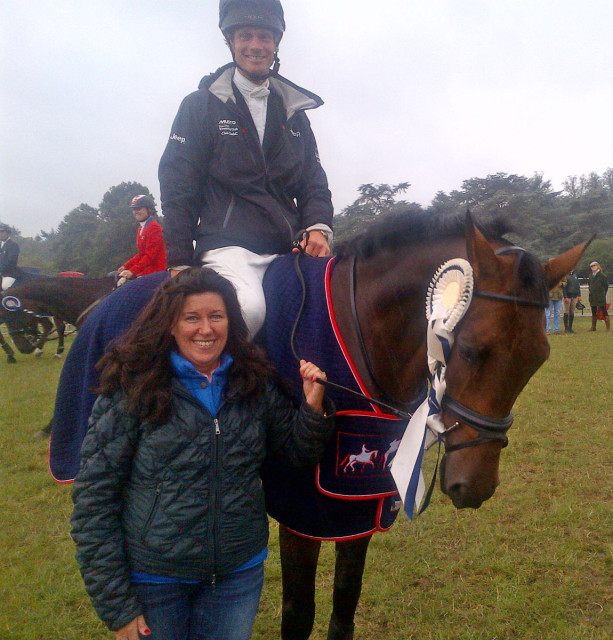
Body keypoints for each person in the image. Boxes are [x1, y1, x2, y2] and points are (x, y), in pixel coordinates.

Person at [70, 267, 334, 640]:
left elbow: (296, 454)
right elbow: (94, 499)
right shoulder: (134, 386)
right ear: (171, 325)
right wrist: (117, 605)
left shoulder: (254, 381)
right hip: (155, 580)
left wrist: (312, 408)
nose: (206, 329)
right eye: (191, 318)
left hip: (236, 576)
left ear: (230, 322)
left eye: (216, 316)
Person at [159, 0, 333, 338]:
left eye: (265, 37)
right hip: (228, 248)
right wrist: (179, 261)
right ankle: (227, 389)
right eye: (246, 36)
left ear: (276, 44)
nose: (256, 45)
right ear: (231, 42)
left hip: (289, 245)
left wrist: (318, 227)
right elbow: (178, 186)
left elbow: (314, 181)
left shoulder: (295, 114)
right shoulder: (199, 106)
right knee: (249, 310)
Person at [117, 195, 167, 286]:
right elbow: (141, 254)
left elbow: (150, 256)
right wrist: (125, 266)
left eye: (139, 209)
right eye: (134, 209)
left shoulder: (154, 227)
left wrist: (132, 271)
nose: (136, 212)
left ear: (149, 209)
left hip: (156, 271)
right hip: (146, 269)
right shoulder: (141, 228)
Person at [588, 261, 610, 331]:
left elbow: (606, 286)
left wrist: (602, 294)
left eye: (594, 266)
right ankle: (593, 327)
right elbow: (590, 285)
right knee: (593, 311)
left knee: (604, 311)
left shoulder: (602, 276)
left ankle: (608, 328)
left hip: (600, 297)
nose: (593, 267)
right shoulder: (591, 276)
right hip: (593, 297)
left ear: (597, 266)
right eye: (591, 266)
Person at [0, 223, 21, 290]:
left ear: (7, 233)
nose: (0, 233)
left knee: (5, 286)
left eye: (2, 231)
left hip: (8, 274)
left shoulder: (13, 245)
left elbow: (11, 261)